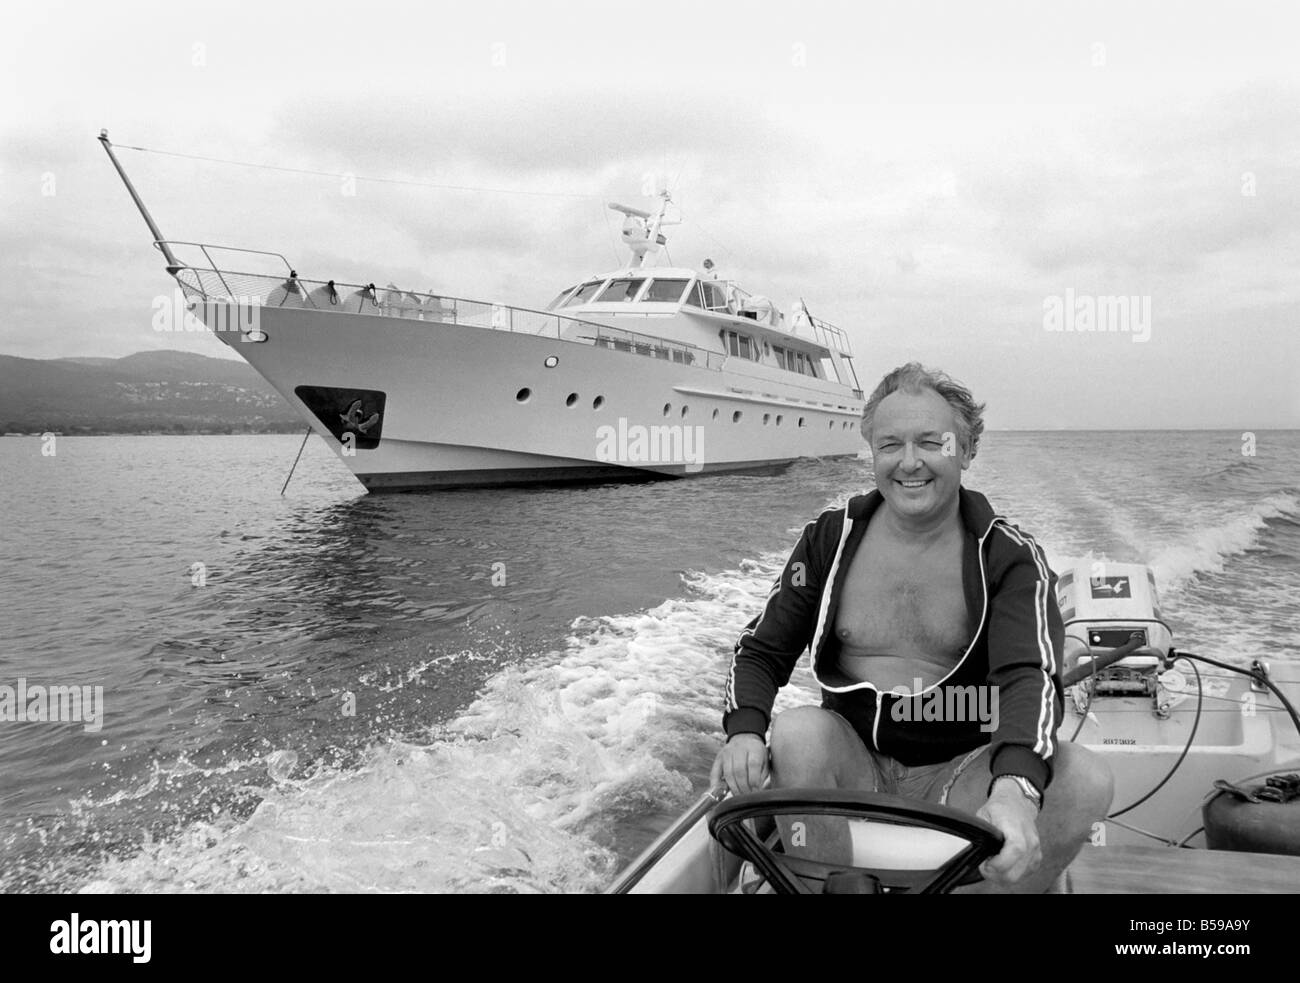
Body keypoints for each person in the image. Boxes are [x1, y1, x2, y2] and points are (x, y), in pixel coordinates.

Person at [711, 362, 1113, 892]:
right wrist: (742, 729)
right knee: (798, 731)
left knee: (1084, 780)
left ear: (966, 451)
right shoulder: (829, 541)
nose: (909, 463)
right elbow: (762, 649)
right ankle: (824, 887)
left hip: (963, 770)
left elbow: (1029, 677)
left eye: (930, 442)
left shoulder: (1010, 559)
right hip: (851, 768)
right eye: (889, 444)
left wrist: (1015, 790)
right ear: (871, 451)